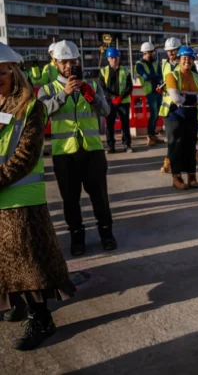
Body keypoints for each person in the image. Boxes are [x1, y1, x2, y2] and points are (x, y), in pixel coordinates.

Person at [0, 42, 76, 351]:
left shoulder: (32, 105)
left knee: (29, 264)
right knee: (6, 263)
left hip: (22, 199)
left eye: (1, 73)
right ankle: (15, 305)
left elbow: (26, 154)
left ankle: (41, 317)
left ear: (14, 73)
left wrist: (0, 179)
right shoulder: (5, 104)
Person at [37, 40, 118, 255]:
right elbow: (43, 114)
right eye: (64, 62)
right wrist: (64, 94)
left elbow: (106, 111)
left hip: (92, 150)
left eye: (72, 62)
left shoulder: (91, 84)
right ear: (55, 63)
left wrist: (90, 96)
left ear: (78, 62)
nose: (68, 66)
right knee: (70, 199)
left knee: (100, 195)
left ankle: (106, 233)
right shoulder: (47, 90)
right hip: (65, 153)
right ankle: (77, 237)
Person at [159, 46, 198, 190]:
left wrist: (185, 97)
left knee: (191, 146)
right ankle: (176, 177)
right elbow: (176, 98)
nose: (187, 61)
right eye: (184, 58)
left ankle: (192, 175)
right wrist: (192, 98)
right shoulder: (172, 76)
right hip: (174, 115)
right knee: (176, 146)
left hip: (191, 114)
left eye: (190, 59)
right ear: (179, 60)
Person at [98, 47, 134, 154]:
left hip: (123, 102)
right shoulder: (103, 71)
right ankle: (111, 146)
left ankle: (127, 144)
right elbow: (102, 87)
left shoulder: (125, 71)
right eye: (112, 58)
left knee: (125, 124)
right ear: (108, 59)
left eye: (116, 58)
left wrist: (120, 97)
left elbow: (129, 87)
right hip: (110, 102)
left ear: (119, 58)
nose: (114, 60)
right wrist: (113, 97)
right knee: (109, 124)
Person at [135, 41, 165, 146]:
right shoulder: (139, 65)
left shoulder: (155, 62)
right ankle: (150, 135)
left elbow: (160, 76)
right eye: (151, 52)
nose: (153, 54)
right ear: (146, 53)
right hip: (150, 92)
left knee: (157, 114)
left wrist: (153, 78)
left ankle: (152, 135)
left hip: (158, 90)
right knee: (154, 114)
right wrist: (154, 77)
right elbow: (146, 77)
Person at [160, 37, 182, 174]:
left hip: (182, 104)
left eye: (173, 51)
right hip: (169, 106)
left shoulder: (185, 63)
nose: (170, 54)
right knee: (171, 136)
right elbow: (164, 82)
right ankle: (169, 162)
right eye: (168, 51)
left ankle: (186, 158)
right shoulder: (164, 65)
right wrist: (161, 87)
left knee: (183, 136)